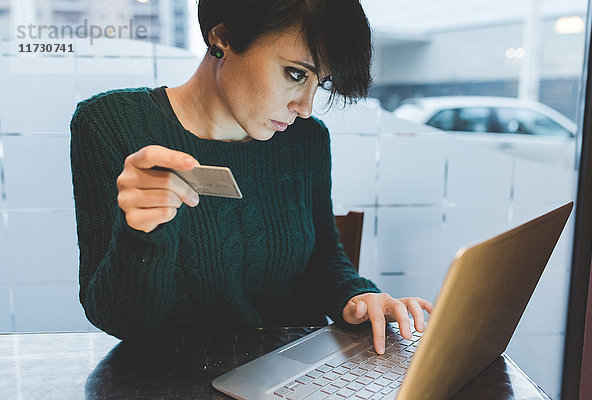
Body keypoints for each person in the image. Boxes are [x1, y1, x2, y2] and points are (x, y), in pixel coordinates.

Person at [70, 0, 433, 355]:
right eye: (296, 73)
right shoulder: (112, 124)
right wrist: (141, 234)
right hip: (172, 381)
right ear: (223, 37)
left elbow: (323, 258)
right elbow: (123, 322)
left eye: (320, 82)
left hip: (294, 374)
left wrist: (357, 295)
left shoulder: (305, 140)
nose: (305, 108)